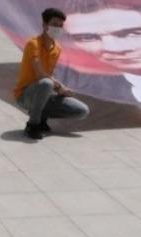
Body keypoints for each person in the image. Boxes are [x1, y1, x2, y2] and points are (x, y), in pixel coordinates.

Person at [14, 8, 90, 139]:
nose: (58, 28)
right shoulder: (33, 44)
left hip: (45, 92)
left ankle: (42, 117)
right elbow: (40, 74)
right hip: (26, 95)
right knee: (46, 83)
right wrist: (59, 87)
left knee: (82, 111)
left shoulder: (57, 48)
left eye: (61, 26)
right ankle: (33, 125)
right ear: (44, 25)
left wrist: (63, 90)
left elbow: (50, 74)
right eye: (55, 24)